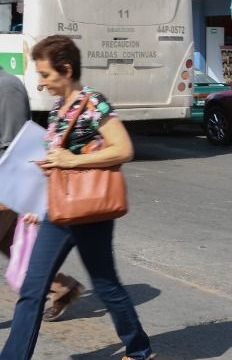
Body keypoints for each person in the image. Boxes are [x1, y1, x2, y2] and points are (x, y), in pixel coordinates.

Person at [1, 35, 154, 360]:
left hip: (90, 213)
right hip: (56, 211)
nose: (42, 83)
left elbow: (124, 149)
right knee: (32, 290)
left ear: (67, 69)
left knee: (106, 286)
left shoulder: (94, 103)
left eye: (46, 74)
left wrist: (72, 161)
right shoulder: (59, 108)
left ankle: (139, 348)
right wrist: (37, 196)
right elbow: (58, 158)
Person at [0, 65, 84, 322]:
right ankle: (60, 286)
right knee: (10, 243)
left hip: (6, 183)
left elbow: (15, 144)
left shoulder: (6, 87)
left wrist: (17, 195)